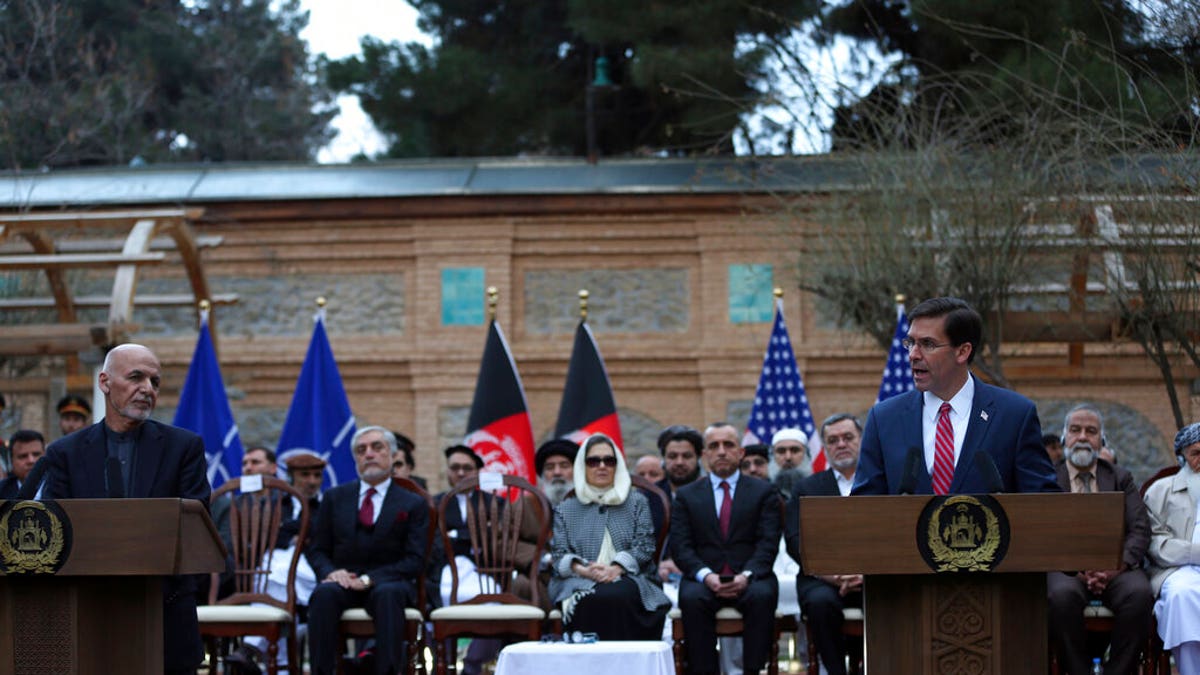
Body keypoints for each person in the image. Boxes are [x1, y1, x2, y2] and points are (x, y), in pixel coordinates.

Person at [41, 344, 211, 675]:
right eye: (136, 377)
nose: (147, 389)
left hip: (164, 607)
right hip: (88, 608)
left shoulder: (184, 447)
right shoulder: (65, 453)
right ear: (105, 382)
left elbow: (194, 523)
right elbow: (55, 528)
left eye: (155, 382)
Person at [852, 297, 1058, 495]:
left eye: (927, 344)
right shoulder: (884, 419)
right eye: (911, 342)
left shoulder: (1014, 415)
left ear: (962, 351)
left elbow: (1042, 503)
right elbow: (864, 508)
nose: (913, 354)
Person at [306, 426, 428, 675]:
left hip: (389, 581)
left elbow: (415, 559)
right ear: (355, 459)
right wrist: (332, 572)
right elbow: (317, 550)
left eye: (377, 447)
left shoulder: (412, 503)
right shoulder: (334, 497)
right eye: (362, 450)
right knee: (323, 595)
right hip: (344, 580)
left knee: (387, 595)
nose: (369, 454)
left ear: (393, 455)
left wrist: (369, 579)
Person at [1048, 404, 1152, 675]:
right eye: (1075, 430)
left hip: (1116, 567)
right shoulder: (1048, 479)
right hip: (1065, 570)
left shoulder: (1120, 478)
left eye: (1091, 431)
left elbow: (1139, 529)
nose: (1082, 437)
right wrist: (1079, 572)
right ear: (1064, 439)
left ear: (1101, 441)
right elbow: (1043, 532)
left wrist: (1114, 568)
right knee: (1060, 596)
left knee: (1139, 594)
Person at [671, 422, 780, 675]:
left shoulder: (763, 492)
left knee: (762, 596)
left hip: (751, 575)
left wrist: (746, 576)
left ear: (740, 453)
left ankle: (754, 670)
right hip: (703, 576)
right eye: (714, 446)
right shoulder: (687, 495)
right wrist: (706, 576)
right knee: (691, 598)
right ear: (704, 455)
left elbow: (768, 543)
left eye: (728, 445)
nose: (721, 451)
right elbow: (681, 546)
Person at [549, 433, 671, 639]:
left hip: (632, 576)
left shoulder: (636, 502)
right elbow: (559, 555)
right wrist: (585, 570)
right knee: (591, 596)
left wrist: (616, 569)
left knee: (618, 594)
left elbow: (644, 547)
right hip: (578, 578)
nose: (602, 466)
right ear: (582, 466)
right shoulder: (566, 508)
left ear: (618, 466)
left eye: (609, 460)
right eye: (594, 461)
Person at [227, 450, 328, 675]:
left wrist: (292, 533)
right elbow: (263, 537)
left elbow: (324, 539)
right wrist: (295, 534)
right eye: (305, 475)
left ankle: (251, 646)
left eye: (316, 475)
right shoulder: (276, 503)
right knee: (276, 572)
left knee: (277, 572)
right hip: (278, 575)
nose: (312, 481)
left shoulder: (328, 504)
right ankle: (281, 668)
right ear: (292, 477)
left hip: (311, 570)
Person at [785, 414, 865, 675]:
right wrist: (833, 575)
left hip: (874, 576)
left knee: (893, 598)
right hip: (821, 578)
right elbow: (795, 540)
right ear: (825, 447)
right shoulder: (807, 487)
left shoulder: (880, 482)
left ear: (861, 440)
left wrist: (864, 574)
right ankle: (834, 671)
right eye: (833, 440)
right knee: (820, 603)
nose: (841, 444)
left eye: (848, 437)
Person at [1144, 422, 1200, 673]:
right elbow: (1155, 543)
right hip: (1178, 570)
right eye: (1197, 453)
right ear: (1182, 457)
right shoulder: (1161, 491)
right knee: (1181, 595)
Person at [0, 429, 45, 499]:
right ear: (11, 461)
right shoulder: (2, 490)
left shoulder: (61, 487)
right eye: (23, 456)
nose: (31, 461)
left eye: (36, 454)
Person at [535, 438, 578, 506]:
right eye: (550, 467)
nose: (557, 472)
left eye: (564, 466)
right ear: (542, 475)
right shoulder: (530, 506)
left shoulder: (592, 506)